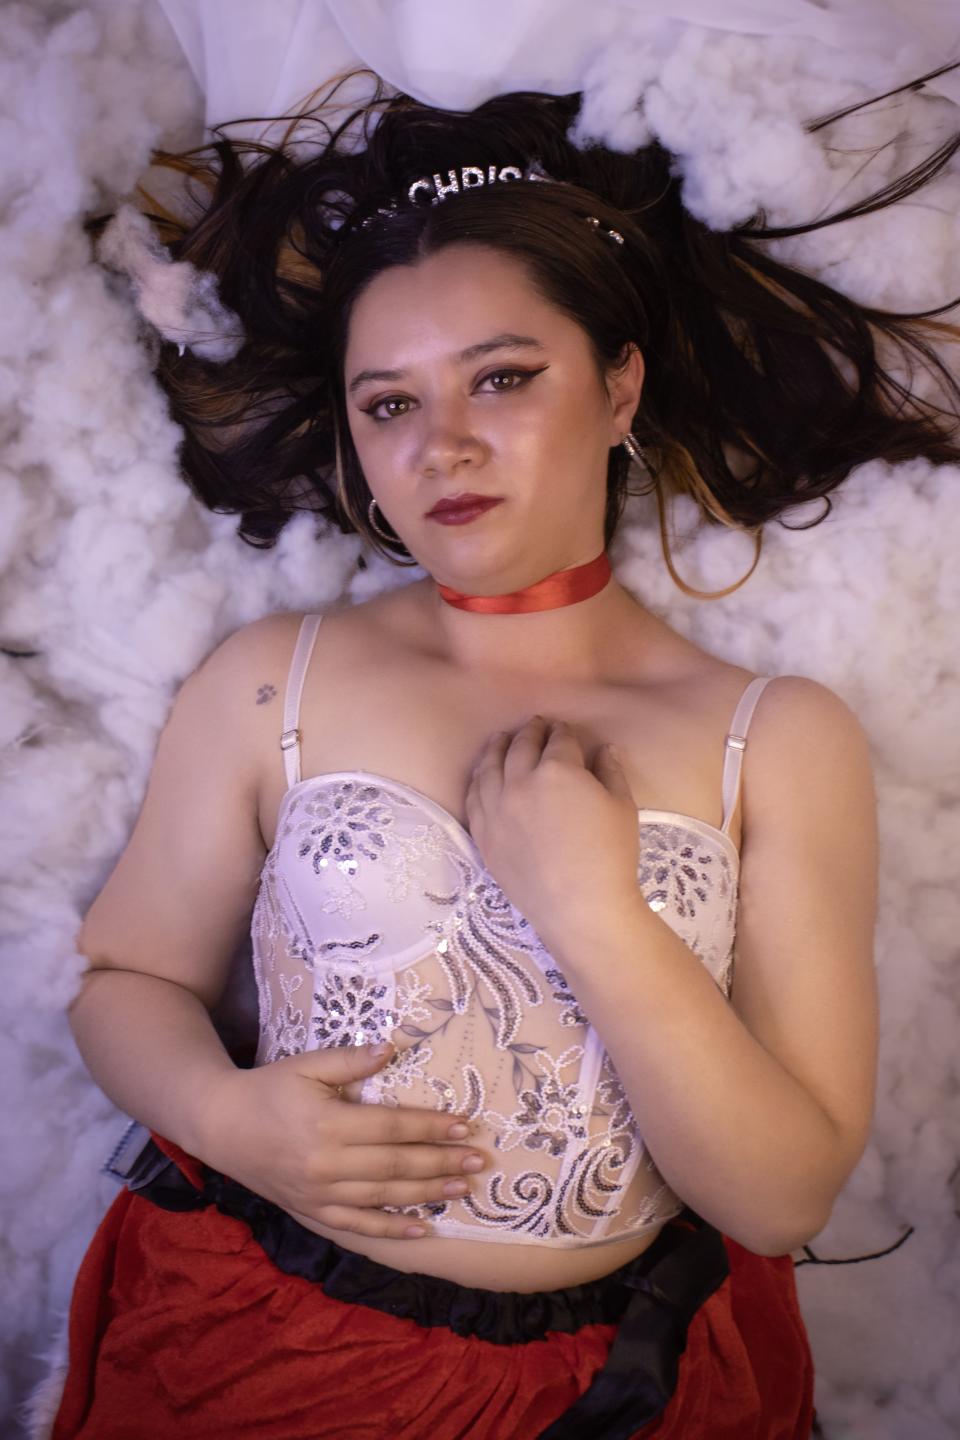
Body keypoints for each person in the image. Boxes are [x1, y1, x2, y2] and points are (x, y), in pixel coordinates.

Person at [51, 70, 960, 1440]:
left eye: (503, 378)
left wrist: (595, 910)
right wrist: (225, 1120)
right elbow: (125, 982)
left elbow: (783, 1200)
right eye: (390, 405)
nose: (446, 445)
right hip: (263, 1348)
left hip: (613, 1394)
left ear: (618, 387)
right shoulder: (275, 680)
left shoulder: (773, 738)